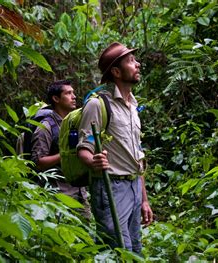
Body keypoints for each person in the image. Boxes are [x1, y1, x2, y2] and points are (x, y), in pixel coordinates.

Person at [77, 42, 154, 253]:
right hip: (111, 187)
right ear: (117, 71)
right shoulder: (98, 105)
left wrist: (144, 200)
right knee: (117, 250)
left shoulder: (133, 107)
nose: (137, 64)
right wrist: (93, 161)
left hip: (134, 186)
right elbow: (84, 148)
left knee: (135, 250)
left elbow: (136, 155)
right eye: (131, 61)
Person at [31, 80, 91, 219]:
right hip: (58, 195)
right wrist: (66, 154)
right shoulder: (45, 127)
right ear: (56, 98)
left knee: (85, 234)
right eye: (68, 93)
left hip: (80, 192)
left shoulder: (75, 123)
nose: (74, 96)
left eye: (73, 93)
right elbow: (38, 162)